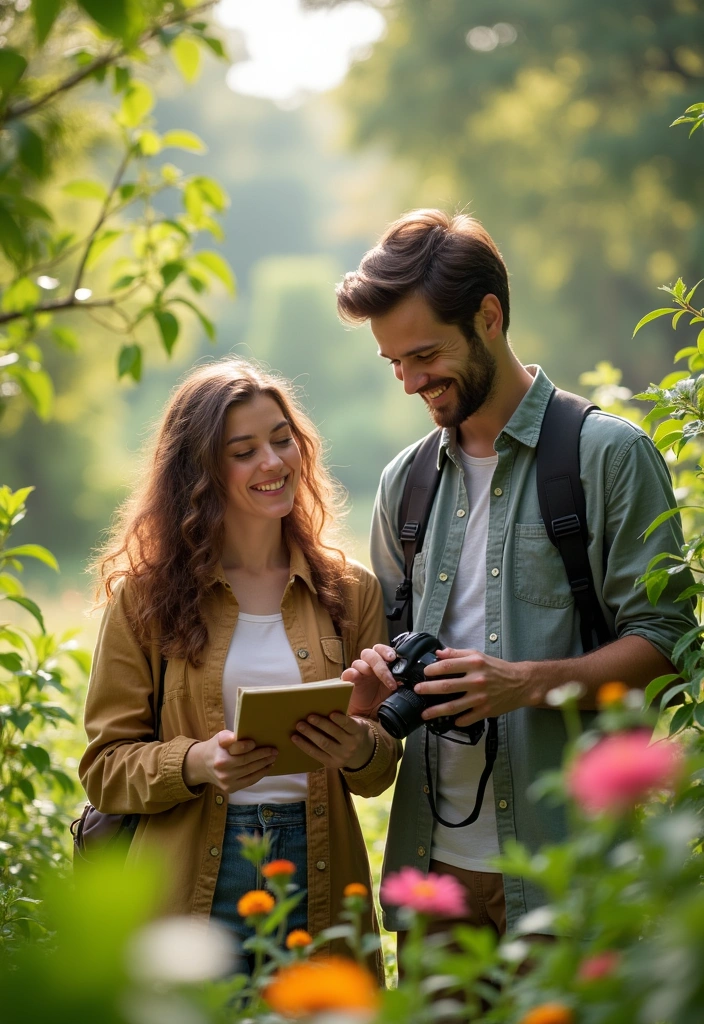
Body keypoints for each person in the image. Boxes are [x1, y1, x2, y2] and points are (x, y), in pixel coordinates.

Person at [336, 209, 696, 945]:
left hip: (573, 875)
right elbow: (386, 674)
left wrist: (523, 682)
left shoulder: (608, 457)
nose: (409, 382)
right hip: (431, 879)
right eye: (393, 363)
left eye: (424, 355)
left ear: (489, 317)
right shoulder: (401, 484)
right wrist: (373, 686)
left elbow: (671, 650)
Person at [79, 358, 400, 977]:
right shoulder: (146, 599)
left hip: (319, 868)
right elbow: (104, 769)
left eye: (282, 440)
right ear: (199, 471)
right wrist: (197, 761)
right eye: (244, 451)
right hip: (193, 880)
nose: (273, 463)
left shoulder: (348, 591)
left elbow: (378, 770)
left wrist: (358, 742)